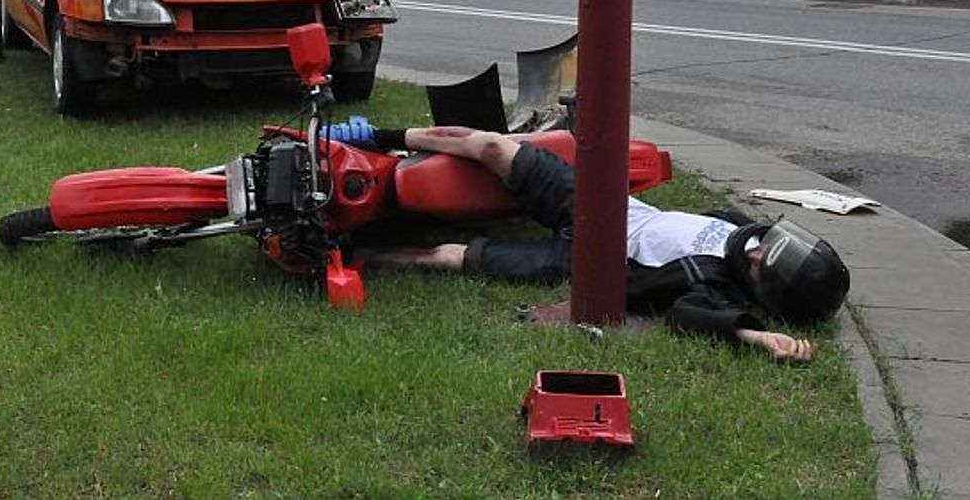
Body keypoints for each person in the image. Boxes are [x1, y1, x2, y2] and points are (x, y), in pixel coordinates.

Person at [329, 118, 851, 363]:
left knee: (455, 256)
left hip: (583, 256)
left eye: (765, 263)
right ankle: (374, 136)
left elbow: (693, 315)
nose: (757, 248)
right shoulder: (740, 230)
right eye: (773, 243)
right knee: (492, 145)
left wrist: (757, 337)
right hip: (600, 204)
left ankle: (355, 253)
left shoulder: (719, 286)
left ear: (765, 291)